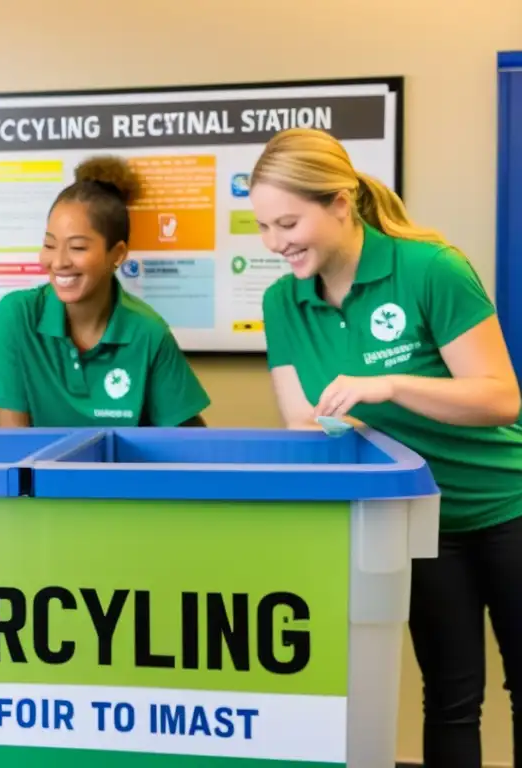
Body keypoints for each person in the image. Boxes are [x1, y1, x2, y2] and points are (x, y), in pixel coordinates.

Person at [250, 127, 522, 767]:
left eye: (288, 222)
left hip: (506, 508)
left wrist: (391, 384)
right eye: (263, 227)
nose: (275, 243)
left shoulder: (430, 268)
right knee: (451, 697)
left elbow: (501, 398)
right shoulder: (281, 302)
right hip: (416, 522)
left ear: (340, 203)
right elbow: (302, 423)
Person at [0, 156, 210, 427]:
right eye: (50, 245)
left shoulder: (148, 332)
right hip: (39, 470)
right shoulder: (17, 316)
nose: (59, 261)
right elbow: (15, 448)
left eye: (78, 247)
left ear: (117, 254)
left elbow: (188, 443)